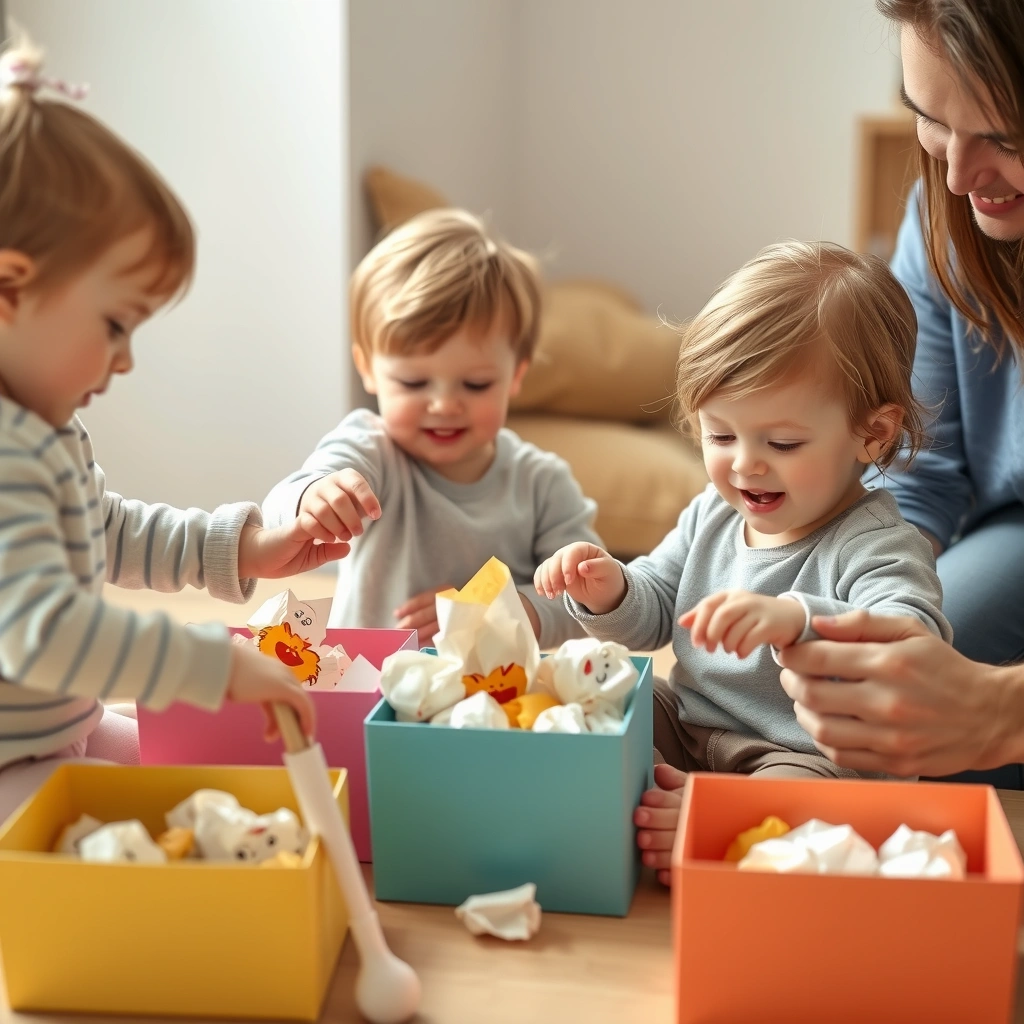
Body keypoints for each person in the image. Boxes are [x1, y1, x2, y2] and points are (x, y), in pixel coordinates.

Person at [534, 240, 951, 885]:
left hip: (807, 757)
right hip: (697, 727)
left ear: (872, 434)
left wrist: (798, 620)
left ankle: (716, 827)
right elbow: (655, 610)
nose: (745, 464)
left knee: (806, 795)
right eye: (720, 435)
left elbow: (911, 639)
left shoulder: (877, 544)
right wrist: (610, 589)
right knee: (607, 696)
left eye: (782, 442)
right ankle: (656, 803)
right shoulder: (713, 513)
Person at [0, 38, 330, 823]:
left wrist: (244, 548)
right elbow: (42, 633)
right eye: (115, 325)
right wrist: (206, 662)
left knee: (201, 792)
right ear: (10, 289)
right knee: (124, 859)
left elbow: (107, 533)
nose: (124, 361)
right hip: (13, 764)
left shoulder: (48, 430)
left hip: (63, 730)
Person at [778, 0, 1024, 780]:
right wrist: (864, 608)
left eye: (1006, 138)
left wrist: (999, 710)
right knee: (881, 695)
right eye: (930, 119)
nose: (956, 175)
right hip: (1009, 528)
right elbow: (921, 476)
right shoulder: (945, 215)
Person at [262, 208, 601, 649]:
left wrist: (496, 610)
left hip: (493, 699)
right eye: (414, 382)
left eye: (476, 384)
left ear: (516, 374)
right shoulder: (370, 449)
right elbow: (284, 504)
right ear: (368, 369)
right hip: (367, 690)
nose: (443, 405)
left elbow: (588, 597)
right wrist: (312, 495)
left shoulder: (542, 483)